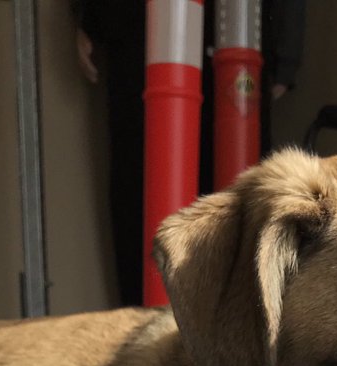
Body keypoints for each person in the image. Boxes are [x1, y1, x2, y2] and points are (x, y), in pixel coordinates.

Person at [72, 1, 306, 306]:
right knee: (145, 189)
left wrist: (286, 51)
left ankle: (232, 333)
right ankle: (152, 326)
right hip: (140, 32)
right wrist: (88, 14)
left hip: (241, 30)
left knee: (237, 196)